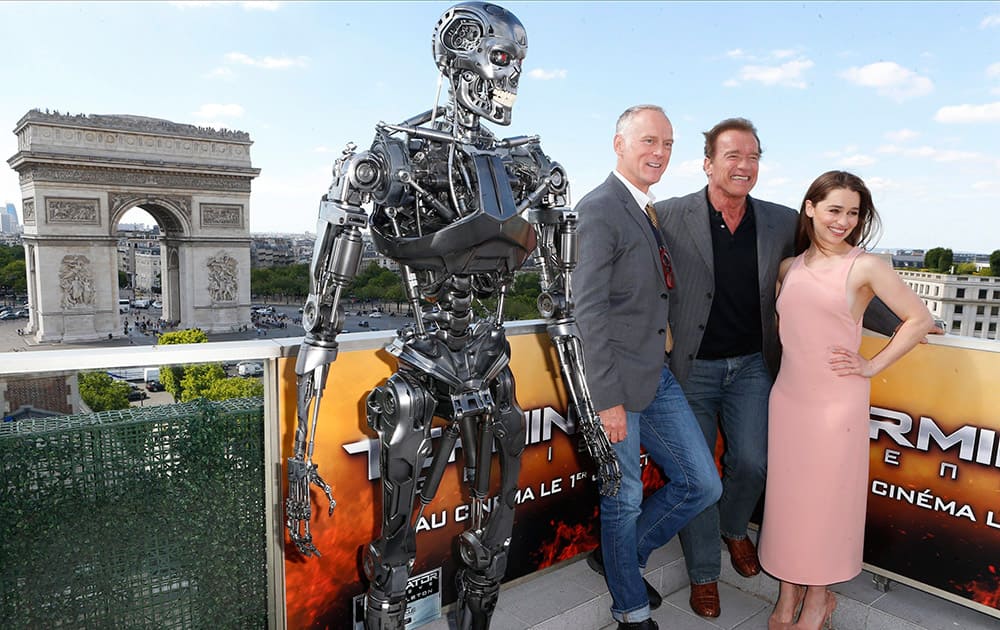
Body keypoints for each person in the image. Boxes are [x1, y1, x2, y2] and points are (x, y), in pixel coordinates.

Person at [656, 118, 908, 618]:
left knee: (753, 462)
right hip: (692, 368)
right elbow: (643, 280)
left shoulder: (777, 221)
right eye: (732, 155)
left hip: (754, 366)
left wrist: (906, 316)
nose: (743, 165)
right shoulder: (665, 215)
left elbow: (832, 275)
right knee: (699, 472)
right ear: (708, 163)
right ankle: (705, 574)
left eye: (753, 157)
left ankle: (734, 530)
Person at [758, 171, 933, 629]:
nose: (844, 221)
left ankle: (818, 600)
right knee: (788, 502)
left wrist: (871, 365)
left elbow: (917, 319)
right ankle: (786, 595)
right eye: (835, 209)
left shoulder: (866, 266)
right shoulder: (787, 268)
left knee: (826, 504)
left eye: (853, 213)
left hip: (837, 405)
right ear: (811, 208)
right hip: (789, 400)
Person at [574, 104, 722, 630]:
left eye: (667, 144)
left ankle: (619, 557)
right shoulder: (600, 209)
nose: (659, 152)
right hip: (614, 380)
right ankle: (631, 612)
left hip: (654, 374)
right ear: (619, 144)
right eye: (648, 141)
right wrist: (607, 400)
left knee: (703, 483)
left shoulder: (643, 208)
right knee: (624, 495)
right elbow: (587, 313)